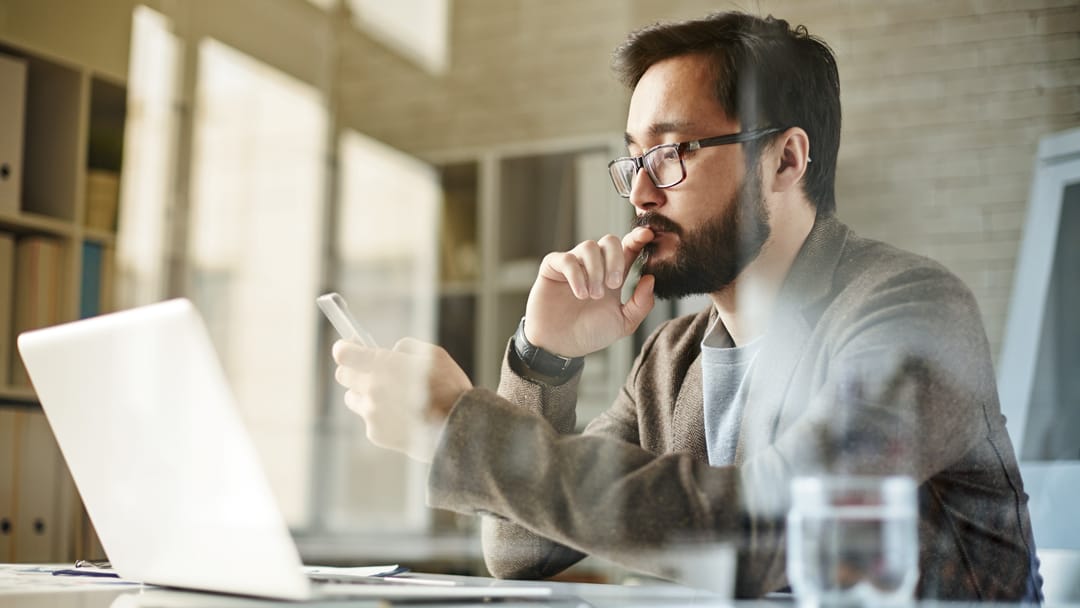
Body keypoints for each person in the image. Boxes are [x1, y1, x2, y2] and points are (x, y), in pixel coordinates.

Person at [331, 11, 1042, 601]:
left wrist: (459, 428)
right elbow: (520, 550)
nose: (641, 192)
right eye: (633, 159)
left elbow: (766, 532)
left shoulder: (915, 315)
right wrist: (543, 360)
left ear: (786, 160)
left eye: (673, 153)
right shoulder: (670, 360)